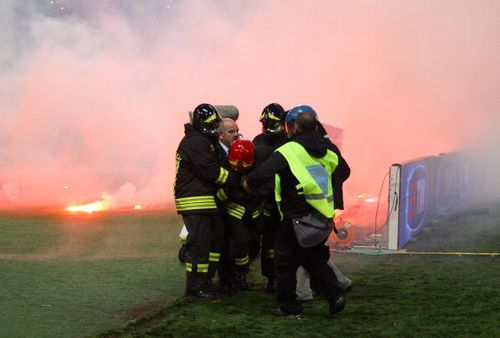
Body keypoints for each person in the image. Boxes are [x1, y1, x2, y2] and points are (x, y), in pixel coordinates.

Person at [244, 105, 346, 317]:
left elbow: (263, 172)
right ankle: (335, 294)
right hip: (321, 216)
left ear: (292, 127)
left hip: (295, 216)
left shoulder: (289, 149)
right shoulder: (329, 149)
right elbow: (343, 171)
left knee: (284, 262)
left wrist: (248, 182)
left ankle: (289, 307)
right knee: (315, 259)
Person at [174, 103, 237, 300]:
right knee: (200, 244)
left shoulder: (204, 140)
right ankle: (195, 287)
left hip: (205, 199)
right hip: (194, 199)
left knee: (214, 239)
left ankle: (206, 280)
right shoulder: (195, 142)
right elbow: (209, 170)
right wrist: (233, 179)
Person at [251, 103, 288, 291]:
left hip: (283, 200)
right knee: (267, 242)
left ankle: (285, 278)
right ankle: (271, 278)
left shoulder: (289, 142)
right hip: (263, 200)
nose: (267, 126)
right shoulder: (257, 141)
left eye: (271, 122)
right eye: (265, 123)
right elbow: (255, 169)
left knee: (283, 241)